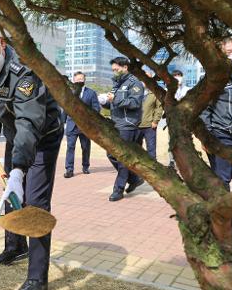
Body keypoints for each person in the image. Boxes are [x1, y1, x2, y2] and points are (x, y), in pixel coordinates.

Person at [0, 21, 63, 290]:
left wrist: (19, 169)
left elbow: (30, 123)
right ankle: (15, 247)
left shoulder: (25, 72)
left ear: (2, 43)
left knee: (35, 202)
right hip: (14, 134)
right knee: (12, 193)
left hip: (43, 135)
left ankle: (37, 278)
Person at [201, 38, 232, 191]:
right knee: (223, 177)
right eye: (229, 52)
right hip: (221, 133)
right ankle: (223, 213)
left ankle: (210, 201)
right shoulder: (213, 78)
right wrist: (206, 137)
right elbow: (203, 109)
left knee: (229, 174)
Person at [100, 57, 144, 202]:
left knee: (122, 157)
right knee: (111, 154)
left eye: (116, 69)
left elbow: (135, 103)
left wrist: (115, 100)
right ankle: (134, 178)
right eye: (113, 70)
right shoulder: (117, 84)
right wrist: (105, 102)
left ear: (125, 67)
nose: (114, 72)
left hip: (127, 124)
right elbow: (115, 104)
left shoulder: (135, 84)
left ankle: (118, 190)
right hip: (116, 124)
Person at [63, 72, 100, 177]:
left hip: (85, 126)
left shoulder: (91, 93)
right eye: (77, 79)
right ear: (74, 80)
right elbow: (65, 108)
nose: (79, 81)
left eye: (81, 79)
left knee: (85, 147)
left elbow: (96, 108)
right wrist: (62, 122)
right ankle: (69, 169)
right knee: (70, 147)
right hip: (71, 125)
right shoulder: (68, 93)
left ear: (84, 80)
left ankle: (85, 167)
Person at [168, 70, 190, 168]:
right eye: (175, 76)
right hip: (172, 120)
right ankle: (172, 161)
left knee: (185, 140)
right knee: (172, 141)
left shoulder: (188, 90)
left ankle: (187, 160)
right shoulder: (168, 91)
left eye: (179, 75)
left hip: (185, 121)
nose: (177, 77)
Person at [138, 72, 163, 160]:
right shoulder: (135, 91)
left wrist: (155, 121)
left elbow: (159, 108)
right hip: (136, 125)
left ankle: (154, 169)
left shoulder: (155, 92)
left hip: (149, 125)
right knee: (136, 150)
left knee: (151, 150)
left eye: (147, 78)